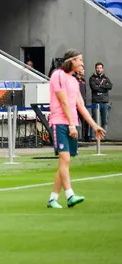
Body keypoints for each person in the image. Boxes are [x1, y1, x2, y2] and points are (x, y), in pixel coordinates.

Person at [47, 49, 105, 209]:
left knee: (64, 163)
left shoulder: (74, 81)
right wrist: (71, 124)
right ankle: (70, 195)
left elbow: (80, 105)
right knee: (64, 159)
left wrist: (94, 125)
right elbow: (63, 101)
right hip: (60, 122)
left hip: (71, 123)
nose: (82, 63)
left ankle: (53, 198)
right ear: (71, 61)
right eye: (79, 60)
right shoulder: (57, 75)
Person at [89, 62, 113, 136]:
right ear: (95, 69)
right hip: (95, 103)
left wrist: (99, 86)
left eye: (100, 68)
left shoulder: (106, 78)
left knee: (104, 121)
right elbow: (94, 88)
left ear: (102, 69)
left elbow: (110, 86)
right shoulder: (92, 78)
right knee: (94, 120)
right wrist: (104, 87)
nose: (99, 69)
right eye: (97, 68)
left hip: (104, 103)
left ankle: (103, 137)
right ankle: (93, 137)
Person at [74, 64, 89, 142]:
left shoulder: (83, 80)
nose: (84, 71)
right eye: (82, 69)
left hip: (83, 104)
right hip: (75, 105)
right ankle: (75, 137)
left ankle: (84, 137)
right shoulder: (73, 79)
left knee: (85, 121)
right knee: (75, 121)